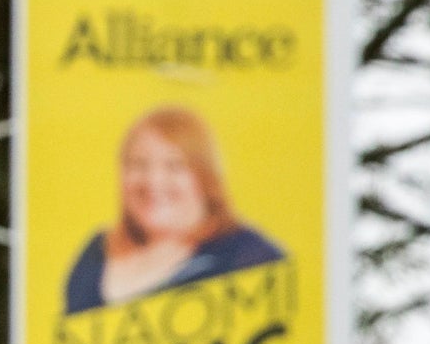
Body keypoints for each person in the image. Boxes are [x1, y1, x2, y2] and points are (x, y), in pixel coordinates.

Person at [61, 105, 284, 315]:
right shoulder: (96, 253)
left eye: (175, 166)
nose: (153, 181)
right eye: (138, 164)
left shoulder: (249, 256)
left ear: (205, 177)